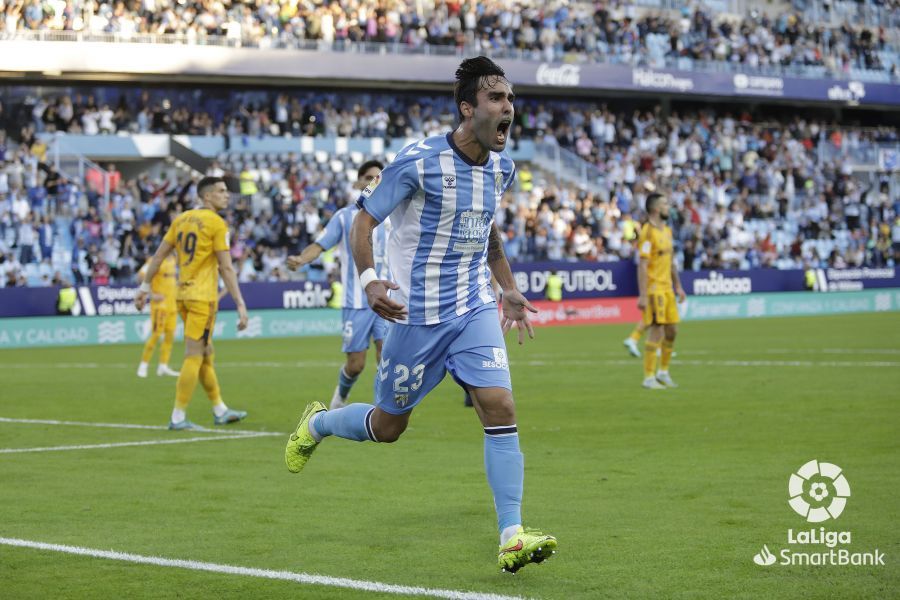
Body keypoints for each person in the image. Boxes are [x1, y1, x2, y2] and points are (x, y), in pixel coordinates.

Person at [284, 57, 557, 573]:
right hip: (415, 317)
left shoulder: (503, 167)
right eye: (497, 99)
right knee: (388, 426)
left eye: (512, 100)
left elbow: (487, 228)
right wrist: (368, 282)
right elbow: (363, 222)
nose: (509, 109)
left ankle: (512, 534)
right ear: (467, 107)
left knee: (498, 405)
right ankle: (318, 423)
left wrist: (509, 289)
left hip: (474, 307)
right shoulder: (418, 161)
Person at [135, 176, 249, 430]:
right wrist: (240, 304)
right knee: (194, 355)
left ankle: (220, 409)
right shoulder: (217, 224)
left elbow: (158, 256)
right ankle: (178, 417)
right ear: (206, 196)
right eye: (221, 191)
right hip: (202, 298)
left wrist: (143, 287)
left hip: (182, 295)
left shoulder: (181, 219)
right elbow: (226, 267)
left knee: (206, 353)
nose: (226, 195)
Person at [286, 160, 388, 410]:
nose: (373, 181)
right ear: (358, 183)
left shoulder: (393, 215)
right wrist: (301, 258)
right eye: (368, 177)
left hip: (387, 299)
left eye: (378, 177)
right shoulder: (344, 218)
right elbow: (320, 245)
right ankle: (339, 399)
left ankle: (385, 411)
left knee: (387, 357)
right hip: (356, 301)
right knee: (356, 364)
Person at [636, 192, 686, 389]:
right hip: (654, 288)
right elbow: (642, 264)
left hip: (668, 288)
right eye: (665, 204)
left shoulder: (667, 230)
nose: (669, 207)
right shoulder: (648, 232)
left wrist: (679, 286)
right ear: (656, 209)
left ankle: (663, 372)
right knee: (656, 330)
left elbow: (671, 262)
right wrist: (642, 294)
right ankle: (649, 377)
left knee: (672, 330)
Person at [136, 253, 180, 378]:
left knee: (170, 335)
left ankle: (163, 366)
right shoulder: (154, 260)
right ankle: (143, 365)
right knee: (156, 335)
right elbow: (140, 276)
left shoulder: (174, 260)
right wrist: (151, 294)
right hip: (160, 305)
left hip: (172, 304)